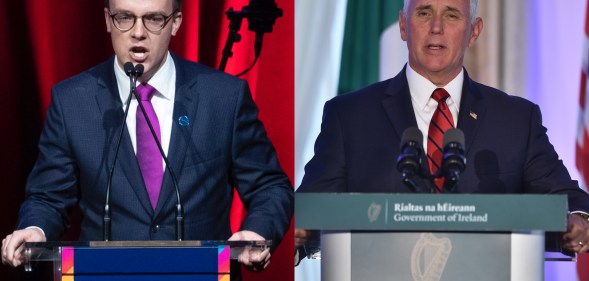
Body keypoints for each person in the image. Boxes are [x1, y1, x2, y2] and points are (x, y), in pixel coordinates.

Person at [1, 0, 294, 278]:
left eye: (154, 19)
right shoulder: (72, 102)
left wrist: (257, 231)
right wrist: (35, 229)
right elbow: (48, 197)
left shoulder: (223, 98)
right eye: (125, 17)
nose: (138, 33)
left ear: (175, 22)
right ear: (107, 20)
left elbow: (270, 187)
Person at [296, 0, 589, 255]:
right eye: (423, 13)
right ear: (402, 26)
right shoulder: (349, 116)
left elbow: (568, 201)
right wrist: (301, 231)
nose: (436, 27)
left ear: (474, 31)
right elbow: (312, 211)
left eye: (451, 15)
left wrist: (578, 222)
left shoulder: (516, 119)